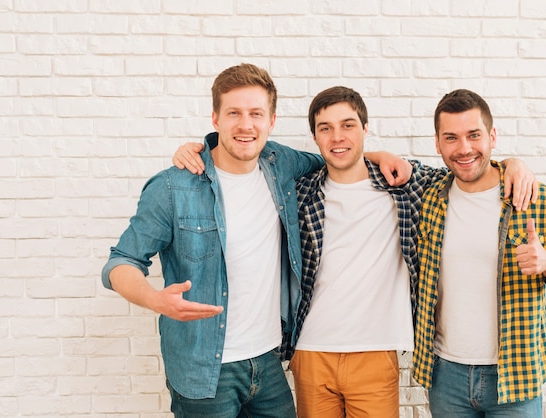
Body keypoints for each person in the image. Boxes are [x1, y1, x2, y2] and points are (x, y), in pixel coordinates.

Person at [174, 85, 537, 418]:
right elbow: (246, 153)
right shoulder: (298, 192)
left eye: (347, 125)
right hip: (311, 351)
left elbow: (465, 169)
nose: (337, 137)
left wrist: (512, 164)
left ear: (365, 128)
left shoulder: (404, 185)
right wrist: (199, 148)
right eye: (325, 128)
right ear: (314, 136)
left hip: (375, 351)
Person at [101, 63, 409, 418]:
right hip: (205, 369)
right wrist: (156, 299)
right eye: (234, 113)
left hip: (268, 363)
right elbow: (121, 261)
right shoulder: (174, 186)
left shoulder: (280, 165)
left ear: (271, 121)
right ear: (215, 118)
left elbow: (337, 156)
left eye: (256, 114)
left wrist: (381, 155)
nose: (246, 125)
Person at [413, 89, 546, 417]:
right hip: (445, 374)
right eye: (451, 138)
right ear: (437, 144)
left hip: (515, 375)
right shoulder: (431, 198)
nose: (464, 148)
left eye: (474, 135)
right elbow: (378, 164)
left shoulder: (536, 198)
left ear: (492, 136)